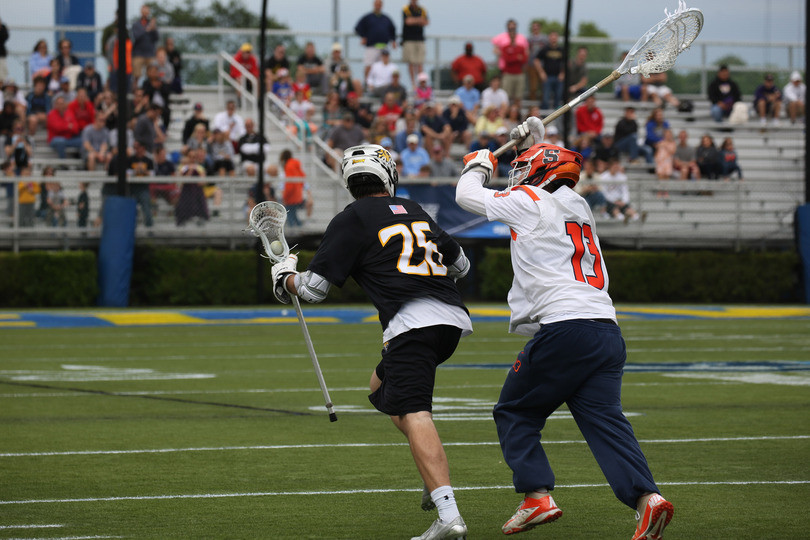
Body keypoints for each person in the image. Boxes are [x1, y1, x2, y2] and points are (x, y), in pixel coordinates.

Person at [456, 117, 669, 538]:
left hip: (565, 328)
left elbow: (466, 195)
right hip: (606, 329)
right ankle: (648, 499)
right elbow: (550, 177)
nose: (518, 172)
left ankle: (536, 496)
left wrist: (478, 164)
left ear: (539, 172)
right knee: (605, 420)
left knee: (514, 410)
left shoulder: (529, 200)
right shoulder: (578, 204)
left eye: (524, 166)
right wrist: (535, 141)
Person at [270, 143, 471, 540]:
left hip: (412, 324)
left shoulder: (351, 218)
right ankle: (432, 471)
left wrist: (284, 277)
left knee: (415, 412)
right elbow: (461, 265)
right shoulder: (413, 208)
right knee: (380, 387)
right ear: (388, 175)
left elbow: (312, 290)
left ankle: (449, 514)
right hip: (450, 321)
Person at [355, 0, 398, 82]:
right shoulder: (368, 17)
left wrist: (393, 40)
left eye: (379, 4)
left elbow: (392, 30)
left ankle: (383, 83)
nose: (378, 6)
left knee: (384, 66)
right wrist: (363, 36)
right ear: (374, 5)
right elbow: (358, 28)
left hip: (384, 47)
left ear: (382, 5)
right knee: (369, 66)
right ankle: (367, 83)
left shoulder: (386, 18)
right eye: (377, 4)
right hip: (371, 46)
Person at [494, 20, 529, 107]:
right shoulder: (505, 47)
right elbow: (507, 59)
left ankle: (516, 112)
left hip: (519, 73)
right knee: (506, 95)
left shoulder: (520, 47)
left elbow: (524, 59)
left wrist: (513, 57)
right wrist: (517, 57)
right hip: (508, 73)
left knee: (518, 96)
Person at [600, 158, 643, 222]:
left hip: (620, 200)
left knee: (627, 208)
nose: (616, 168)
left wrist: (624, 201)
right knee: (614, 209)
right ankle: (622, 218)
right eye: (615, 166)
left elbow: (625, 191)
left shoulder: (622, 177)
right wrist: (615, 201)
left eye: (617, 166)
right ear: (610, 166)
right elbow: (604, 192)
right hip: (609, 201)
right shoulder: (603, 177)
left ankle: (636, 217)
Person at [277, 149, 312, 226]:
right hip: (298, 197)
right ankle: (299, 227)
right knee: (293, 215)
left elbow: (289, 186)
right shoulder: (296, 168)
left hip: (291, 198)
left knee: (291, 217)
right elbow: (303, 182)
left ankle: (296, 228)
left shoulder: (288, 168)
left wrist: (285, 197)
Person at [534, 31, 564, 110]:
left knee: (558, 97)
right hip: (547, 77)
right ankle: (545, 115)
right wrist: (541, 72)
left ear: (557, 38)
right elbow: (536, 60)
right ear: (549, 38)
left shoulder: (561, 50)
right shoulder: (545, 49)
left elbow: (566, 62)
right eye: (551, 36)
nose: (553, 38)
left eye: (555, 36)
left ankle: (557, 114)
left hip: (558, 77)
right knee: (545, 98)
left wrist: (563, 73)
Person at [401, 0, 428, 87]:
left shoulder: (422, 9)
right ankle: (413, 84)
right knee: (411, 63)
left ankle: (421, 84)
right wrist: (419, 20)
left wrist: (414, 20)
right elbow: (408, 21)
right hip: (409, 39)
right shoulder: (406, 9)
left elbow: (426, 22)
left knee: (420, 63)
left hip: (420, 40)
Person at [131, 4, 159, 85]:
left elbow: (156, 38)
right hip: (138, 53)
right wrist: (147, 29)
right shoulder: (136, 24)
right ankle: (135, 88)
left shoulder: (152, 24)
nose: (145, 12)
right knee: (136, 74)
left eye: (147, 10)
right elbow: (136, 37)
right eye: (144, 10)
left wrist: (154, 29)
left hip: (150, 53)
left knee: (152, 74)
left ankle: (149, 88)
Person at [47, 94, 81, 159]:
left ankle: (81, 161)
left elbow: (76, 128)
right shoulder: (51, 114)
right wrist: (68, 126)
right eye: (58, 104)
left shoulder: (69, 113)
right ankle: (63, 162)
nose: (60, 105)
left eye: (62, 103)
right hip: (54, 139)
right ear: (55, 105)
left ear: (65, 104)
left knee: (82, 141)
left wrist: (65, 126)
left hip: (68, 139)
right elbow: (57, 128)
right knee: (60, 141)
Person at [526, 21, 548, 102]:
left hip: (543, 65)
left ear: (540, 28)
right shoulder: (529, 39)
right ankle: (532, 105)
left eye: (537, 26)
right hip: (532, 65)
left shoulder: (544, 38)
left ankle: (543, 103)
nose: (535, 28)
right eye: (534, 26)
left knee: (544, 86)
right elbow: (527, 51)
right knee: (533, 87)